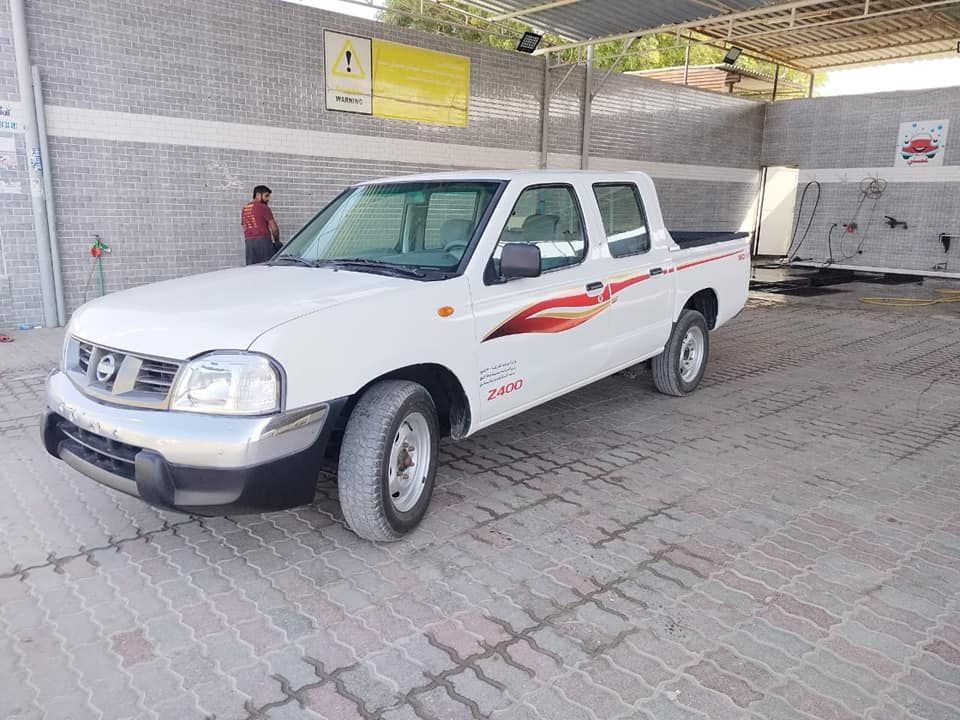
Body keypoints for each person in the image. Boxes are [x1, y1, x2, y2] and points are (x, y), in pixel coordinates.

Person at [241, 185, 281, 265]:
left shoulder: (244, 208)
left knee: (251, 268)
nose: (268, 199)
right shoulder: (264, 207)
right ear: (258, 195)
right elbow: (274, 228)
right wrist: (277, 241)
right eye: (266, 196)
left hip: (249, 242)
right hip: (263, 241)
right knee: (267, 267)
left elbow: (244, 226)